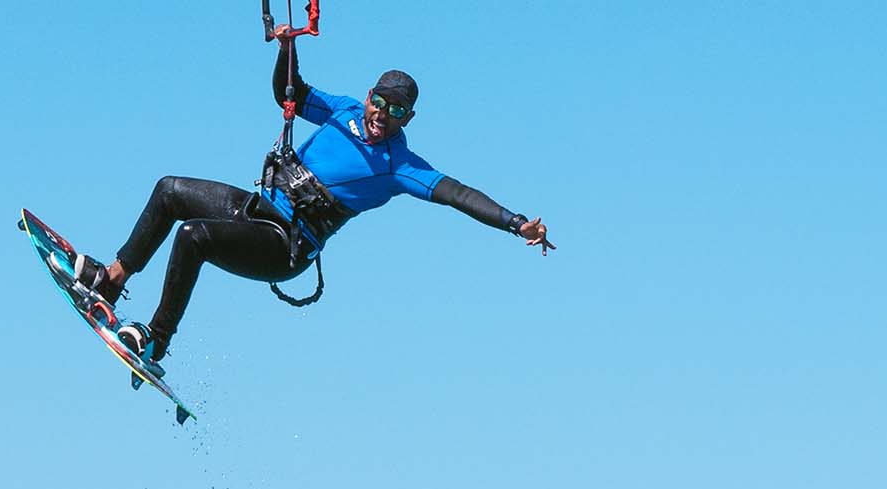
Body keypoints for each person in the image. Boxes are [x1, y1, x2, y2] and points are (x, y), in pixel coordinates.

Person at [69, 36, 553, 375]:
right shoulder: (344, 110)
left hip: (285, 248)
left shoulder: (399, 164)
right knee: (170, 188)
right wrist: (286, 46)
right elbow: (291, 92)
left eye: (398, 111)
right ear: (370, 96)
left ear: (410, 117)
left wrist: (515, 224)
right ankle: (112, 281)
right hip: (258, 209)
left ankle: (155, 340)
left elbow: (459, 194)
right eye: (380, 103)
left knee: (194, 235)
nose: (384, 116)